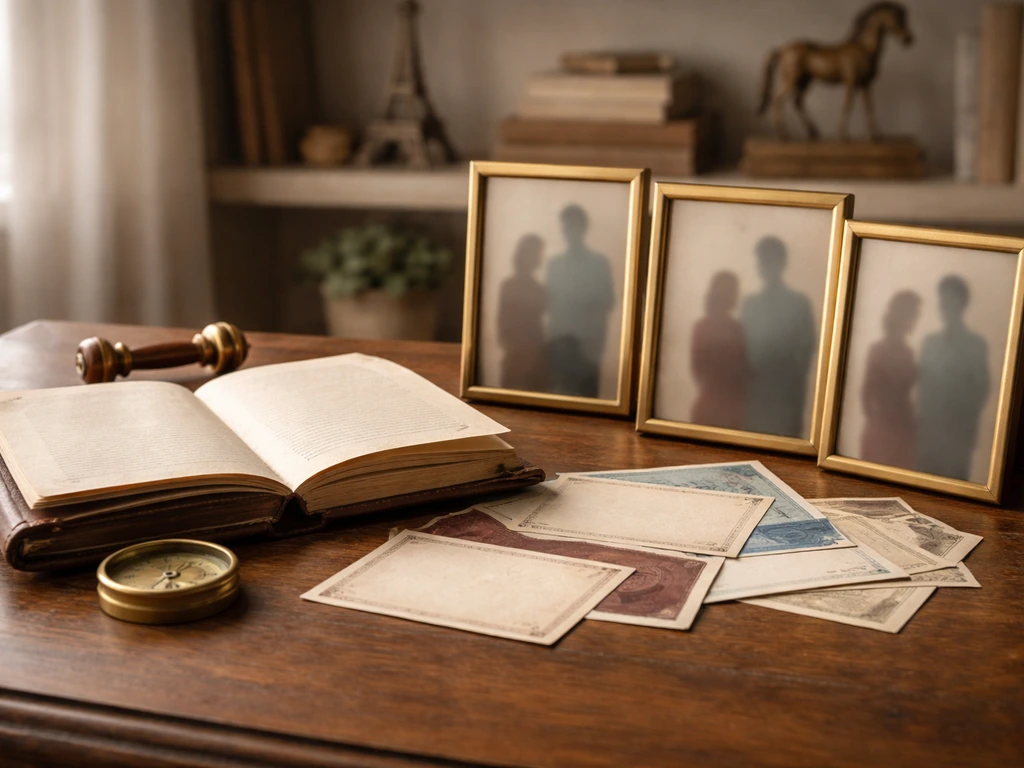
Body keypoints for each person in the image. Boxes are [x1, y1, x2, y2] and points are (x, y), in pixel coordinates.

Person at [739, 236, 816, 438]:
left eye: (769, 260)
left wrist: (792, 386)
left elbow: (807, 350)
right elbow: (741, 349)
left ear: (782, 263)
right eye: (762, 261)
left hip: (786, 393)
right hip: (755, 394)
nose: (764, 266)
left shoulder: (799, 304)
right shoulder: (750, 306)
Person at [916, 275, 989, 481]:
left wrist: (960, 425)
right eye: (942, 300)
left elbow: (981, 390)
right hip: (927, 437)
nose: (944, 306)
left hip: (957, 440)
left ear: (962, 304)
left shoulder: (975, 346)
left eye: (950, 301)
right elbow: (922, 388)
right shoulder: (930, 343)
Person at [545, 204, 615, 398]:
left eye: (573, 226)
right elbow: (550, 306)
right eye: (566, 227)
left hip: (589, 348)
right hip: (560, 348)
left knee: (587, 401)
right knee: (558, 399)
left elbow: (608, 301)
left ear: (583, 228)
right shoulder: (555, 265)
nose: (569, 232)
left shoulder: (599, 264)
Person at [860, 290, 921, 469]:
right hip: (884, 430)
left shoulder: (908, 353)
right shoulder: (880, 351)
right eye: (913, 315)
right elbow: (866, 395)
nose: (915, 320)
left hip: (902, 429)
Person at [690, 271, 747, 429]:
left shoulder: (701, 327)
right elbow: (743, 371)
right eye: (735, 291)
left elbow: (697, 371)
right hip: (729, 411)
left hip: (707, 407)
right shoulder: (736, 329)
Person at [496, 234, 547, 391]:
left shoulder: (539, 289)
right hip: (516, 357)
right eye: (535, 254)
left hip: (536, 358)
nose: (538, 259)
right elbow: (502, 325)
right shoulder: (510, 286)